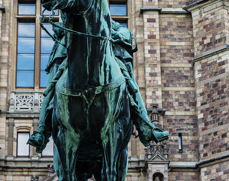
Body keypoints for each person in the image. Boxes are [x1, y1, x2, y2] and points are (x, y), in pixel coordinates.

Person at [27, 18, 168, 153]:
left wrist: (117, 34)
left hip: (106, 56)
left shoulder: (99, 11)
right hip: (67, 55)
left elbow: (122, 29)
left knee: (129, 82)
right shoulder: (71, 4)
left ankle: (145, 126)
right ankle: (42, 131)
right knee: (51, 88)